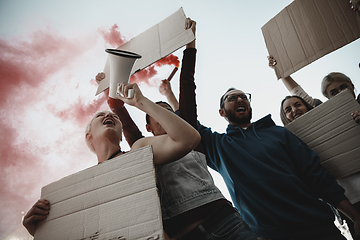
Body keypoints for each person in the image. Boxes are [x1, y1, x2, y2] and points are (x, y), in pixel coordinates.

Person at [88, 18, 258, 240]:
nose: (165, 116)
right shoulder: (141, 146)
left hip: (224, 222)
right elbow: (121, 115)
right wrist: (108, 87)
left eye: (169, 111)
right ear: (148, 126)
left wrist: (190, 44)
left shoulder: (189, 131)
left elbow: (187, 82)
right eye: (157, 113)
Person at [22, 82, 201, 237]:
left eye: (114, 116)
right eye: (100, 116)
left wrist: (140, 102)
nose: (109, 115)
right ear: (88, 136)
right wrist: (39, 231)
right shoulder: (80, 190)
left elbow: (189, 139)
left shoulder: (140, 151)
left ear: (122, 136)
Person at [197, 86, 360, 239]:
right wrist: (170, 93)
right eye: (232, 98)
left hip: (318, 226)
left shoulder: (279, 133)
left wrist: (355, 216)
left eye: (244, 96)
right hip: (270, 235)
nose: (240, 99)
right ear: (221, 112)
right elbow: (187, 117)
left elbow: (316, 176)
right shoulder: (217, 146)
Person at [269, 56, 360, 239]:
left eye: (297, 105)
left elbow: (297, 92)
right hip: (348, 202)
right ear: (284, 118)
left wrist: (280, 70)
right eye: (288, 109)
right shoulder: (287, 142)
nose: (294, 110)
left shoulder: (330, 115)